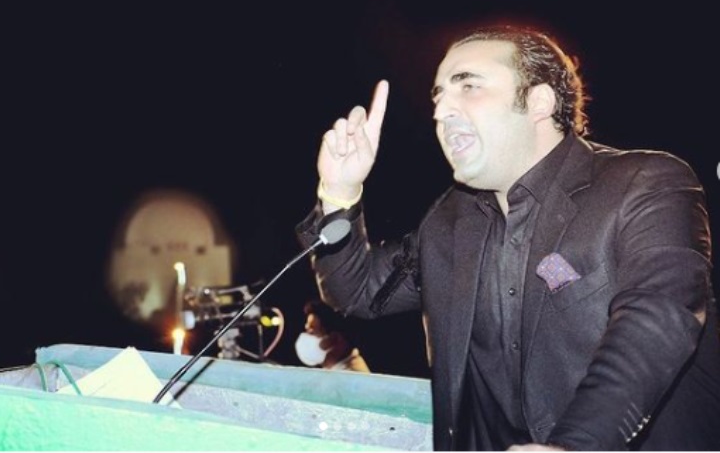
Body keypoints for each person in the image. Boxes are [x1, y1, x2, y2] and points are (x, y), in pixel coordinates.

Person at [296, 25, 720, 450]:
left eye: (468, 86)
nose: (441, 111)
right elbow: (356, 292)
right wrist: (339, 191)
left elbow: (656, 320)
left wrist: (574, 445)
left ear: (538, 101)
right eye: (438, 96)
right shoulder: (447, 223)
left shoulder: (644, 183)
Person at [294, 298, 371, 373]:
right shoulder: (334, 372)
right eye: (307, 328)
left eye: (312, 329)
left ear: (334, 337)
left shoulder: (354, 374)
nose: (307, 335)